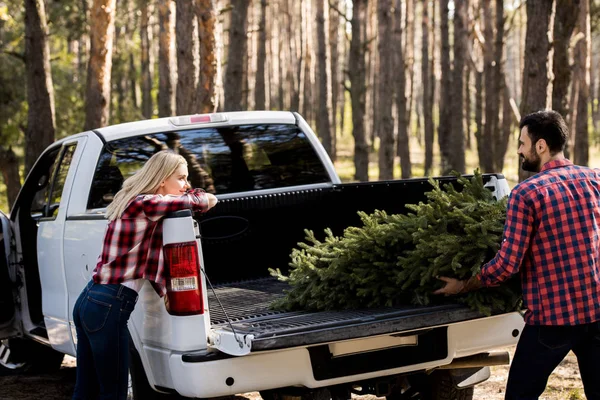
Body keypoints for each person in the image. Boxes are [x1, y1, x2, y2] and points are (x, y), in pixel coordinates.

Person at [434, 110, 600, 400]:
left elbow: (507, 265)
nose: (519, 150)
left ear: (541, 146)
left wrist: (464, 284)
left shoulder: (527, 194)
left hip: (552, 320)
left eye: (522, 143)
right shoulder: (595, 180)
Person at [72, 150, 218, 400]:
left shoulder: (136, 201)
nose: (186, 185)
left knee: (87, 390)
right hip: (108, 305)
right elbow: (205, 201)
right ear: (162, 179)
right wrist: (202, 195)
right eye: (182, 178)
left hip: (92, 300)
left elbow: (148, 259)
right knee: (113, 393)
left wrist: (164, 291)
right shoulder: (146, 204)